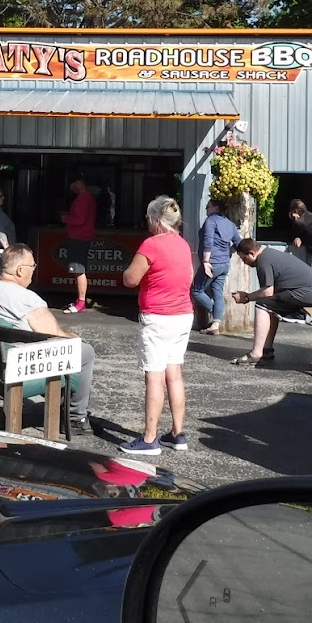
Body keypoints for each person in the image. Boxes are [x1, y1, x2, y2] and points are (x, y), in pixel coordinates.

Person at [0, 243, 95, 431]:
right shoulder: (27, 299)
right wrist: (71, 337)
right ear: (20, 270)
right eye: (32, 266)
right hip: (17, 367)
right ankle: (75, 417)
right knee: (85, 351)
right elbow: (54, 336)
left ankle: (63, 406)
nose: (33, 270)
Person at [119, 195, 195, 455]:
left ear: (155, 220)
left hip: (158, 316)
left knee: (154, 376)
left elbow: (130, 278)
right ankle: (177, 433)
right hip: (183, 314)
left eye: (149, 219)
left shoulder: (151, 244)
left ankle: (149, 438)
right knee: (174, 374)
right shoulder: (183, 245)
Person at [230, 238, 312, 365]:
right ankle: (266, 349)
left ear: (252, 253)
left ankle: (256, 354)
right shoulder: (269, 254)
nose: (244, 263)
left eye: (244, 259)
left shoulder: (263, 260)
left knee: (262, 304)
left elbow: (267, 292)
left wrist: (247, 297)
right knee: (271, 305)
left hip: (309, 293)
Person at [191, 198, 241, 335]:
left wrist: (206, 262)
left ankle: (215, 312)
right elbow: (239, 243)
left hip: (212, 263)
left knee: (196, 290)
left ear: (215, 208)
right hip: (224, 264)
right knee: (217, 293)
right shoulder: (230, 224)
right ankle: (216, 323)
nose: (206, 209)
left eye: (208, 207)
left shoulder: (211, 221)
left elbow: (208, 241)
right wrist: (227, 254)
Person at [59, 173, 97, 313]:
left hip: (79, 238)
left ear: (79, 183)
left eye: (72, 184)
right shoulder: (87, 198)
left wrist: (66, 219)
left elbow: (79, 220)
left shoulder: (83, 198)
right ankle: (80, 301)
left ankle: (81, 303)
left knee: (79, 270)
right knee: (78, 270)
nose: (71, 187)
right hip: (82, 237)